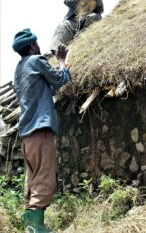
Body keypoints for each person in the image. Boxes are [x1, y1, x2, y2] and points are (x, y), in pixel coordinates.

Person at [12, 28, 71, 233]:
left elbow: (47, 88)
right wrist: (62, 61)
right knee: (45, 179)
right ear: (31, 46)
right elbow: (59, 79)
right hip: (41, 129)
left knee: (33, 179)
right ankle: (36, 228)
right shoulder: (36, 61)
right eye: (36, 44)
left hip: (27, 135)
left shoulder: (19, 70)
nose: (39, 47)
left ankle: (31, 223)